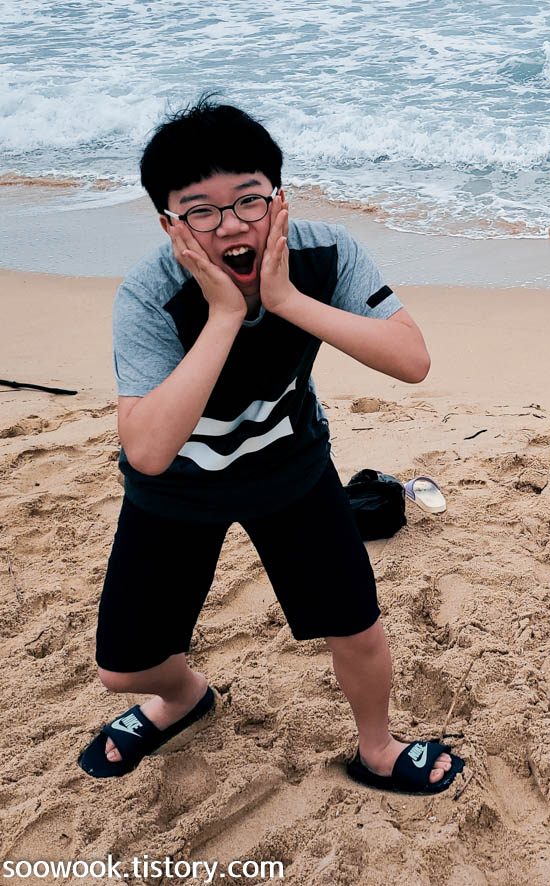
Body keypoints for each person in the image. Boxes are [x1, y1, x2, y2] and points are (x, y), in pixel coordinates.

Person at [78, 95, 464, 793]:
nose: (231, 224)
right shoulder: (149, 294)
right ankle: (183, 698)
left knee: (357, 628)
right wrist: (225, 314)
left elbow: (412, 360)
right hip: (177, 488)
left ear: (278, 199)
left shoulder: (326, 252)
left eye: (249, 200)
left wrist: (286, 301)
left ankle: (377, 748)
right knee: (122, 670)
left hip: (291, 467)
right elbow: (148, 452)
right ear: (170, 224)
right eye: (200, 210)